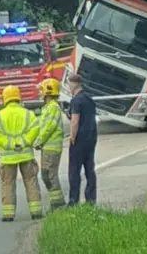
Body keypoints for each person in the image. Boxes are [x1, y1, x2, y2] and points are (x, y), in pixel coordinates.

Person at [0, 85, 43, 221]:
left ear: (5, 99)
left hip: (8, 158)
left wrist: (10, 144)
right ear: (18, 97)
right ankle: (36, 212)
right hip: (26, 154)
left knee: (8, 184)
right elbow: (35, 129)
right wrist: (22, 142)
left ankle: (8, 214)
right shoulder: (28, 114)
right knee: (31, 181)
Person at [34, 78, 66, 211]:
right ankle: (57, 202)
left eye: (41, 90)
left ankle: (58, 203)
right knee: (47, 175)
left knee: (49, 175)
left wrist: (39, 141)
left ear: (48, 91)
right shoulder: (48, 107)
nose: (40, 93)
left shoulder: (53, 107)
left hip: (51, 148)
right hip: (47, 147)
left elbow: (49, 127)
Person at [67, 74, 98, 206]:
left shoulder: (76, 101)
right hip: (91, 138)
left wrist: (72, 137)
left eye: (69, 84)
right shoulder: (89, 99)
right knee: (89, 169)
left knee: (74, 171)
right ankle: (91, 199)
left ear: (74, 84)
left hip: (79, 139)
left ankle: (74, 200)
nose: (68, 87)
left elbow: (75, 121)